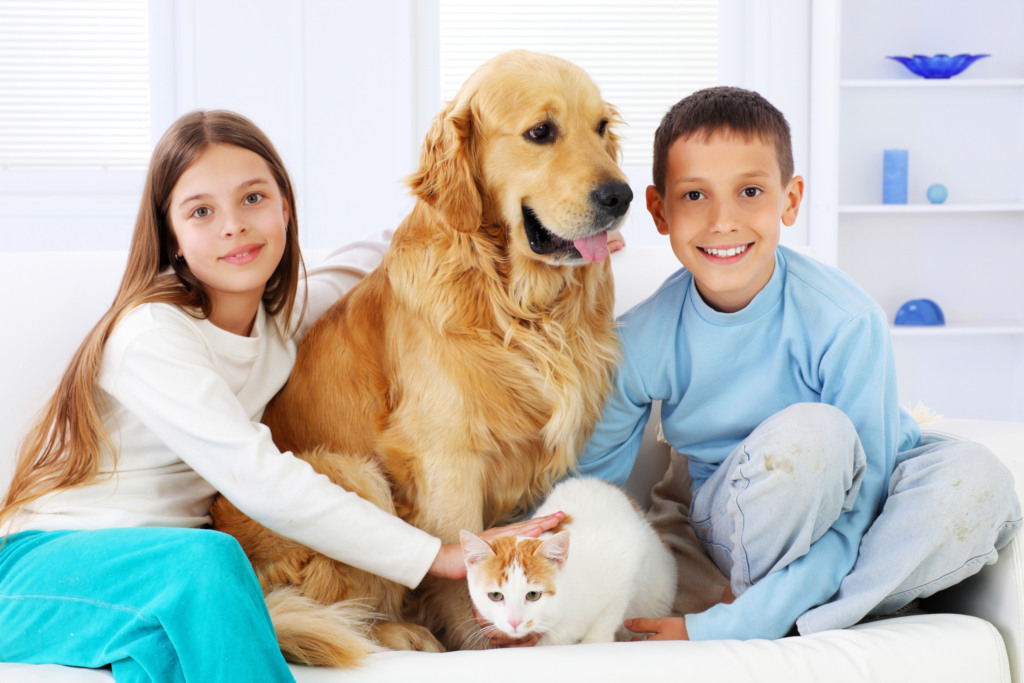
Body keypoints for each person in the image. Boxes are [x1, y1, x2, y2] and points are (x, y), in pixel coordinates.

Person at [0, 110, 566, 682]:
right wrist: (436, 555)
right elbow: (261, 480)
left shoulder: (277, 322)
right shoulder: (151, 334)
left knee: (183, 628)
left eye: (252, 198)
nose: (234, 226)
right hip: (45, 570)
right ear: (171, 235)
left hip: (164, 574)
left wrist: (568, 233)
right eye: (201, 211)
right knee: (209, 567)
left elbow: (379, 251)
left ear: (286, 209)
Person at [576, 86, 1023, 641]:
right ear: (660, 210)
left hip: (865, 497)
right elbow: (592, 491)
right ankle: (850, 604)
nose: (723, 221)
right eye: (695, 196)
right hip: (740, 519)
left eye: (751, 191)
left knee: (979, 480)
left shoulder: (847, 319)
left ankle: (774, 617)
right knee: (813, 438)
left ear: (789, 201)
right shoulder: (642, 338)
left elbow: (868, 498)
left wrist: (728, 626)